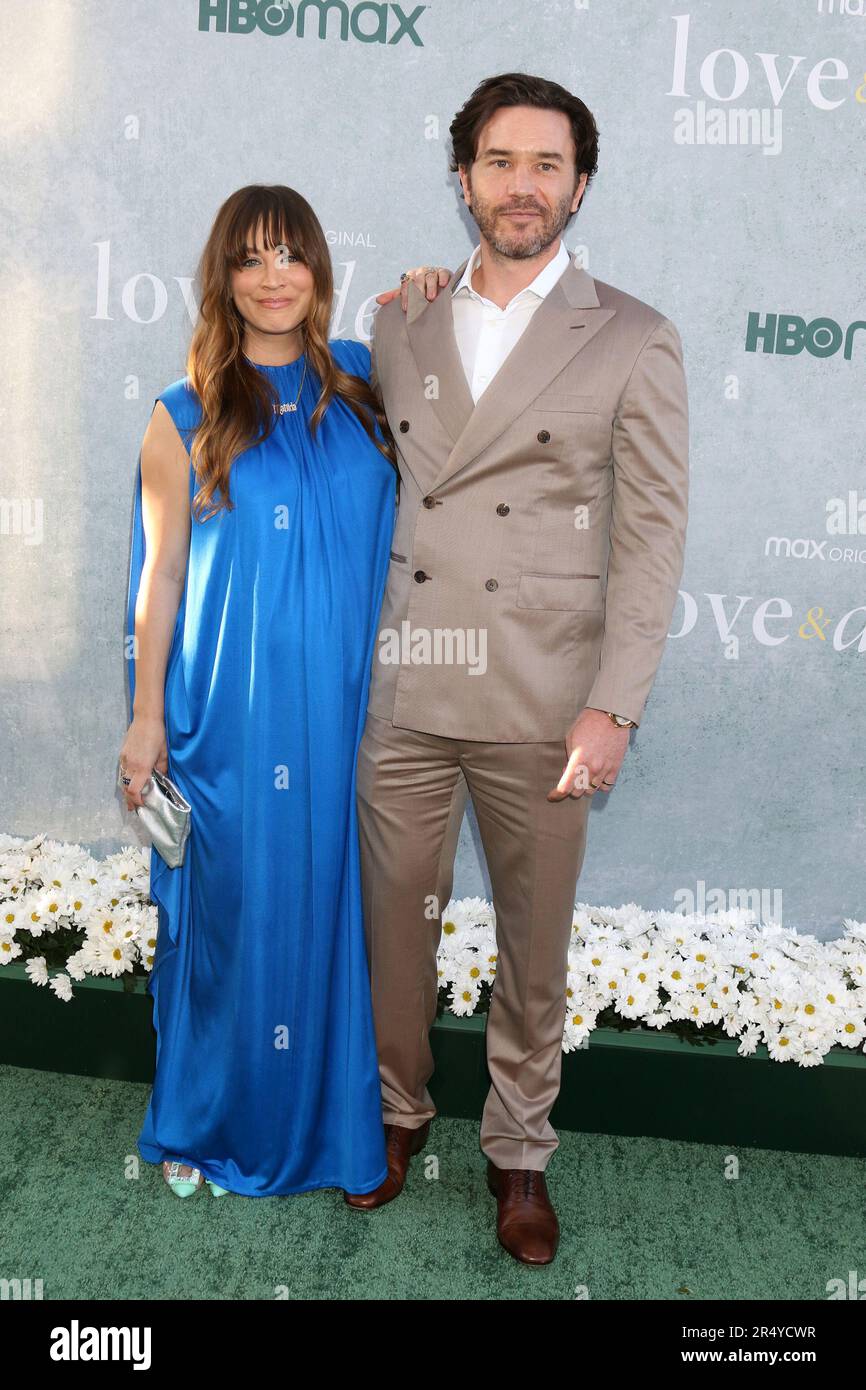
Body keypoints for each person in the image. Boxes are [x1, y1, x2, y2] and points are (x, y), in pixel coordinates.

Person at [349, 73, 690, 1265]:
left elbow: (649, 542)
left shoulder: (634, 337)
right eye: (498, 162)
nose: (521, 185)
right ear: (464, 180)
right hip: (408, 686)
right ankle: (394, 1119)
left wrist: (612, 705)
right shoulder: (401, 321)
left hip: (544, 702)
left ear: (579, 185)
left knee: (531, 942)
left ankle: (519, 1154)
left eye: (546, 164)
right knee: (394, 927)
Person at [120, 183, 444, 1200]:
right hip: (228, 715)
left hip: (353, 710)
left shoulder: (361, 381)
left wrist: (434, 297)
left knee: (339, 918)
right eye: (250, 257)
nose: (273, 276)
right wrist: (142, 719)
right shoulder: (183, 415)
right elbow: (159, 575)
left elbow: (467, 381)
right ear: (222, 277)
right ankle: (214, 1118)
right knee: (232, 919)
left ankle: (337, 1127)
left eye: (290, 254)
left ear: (317, 271)